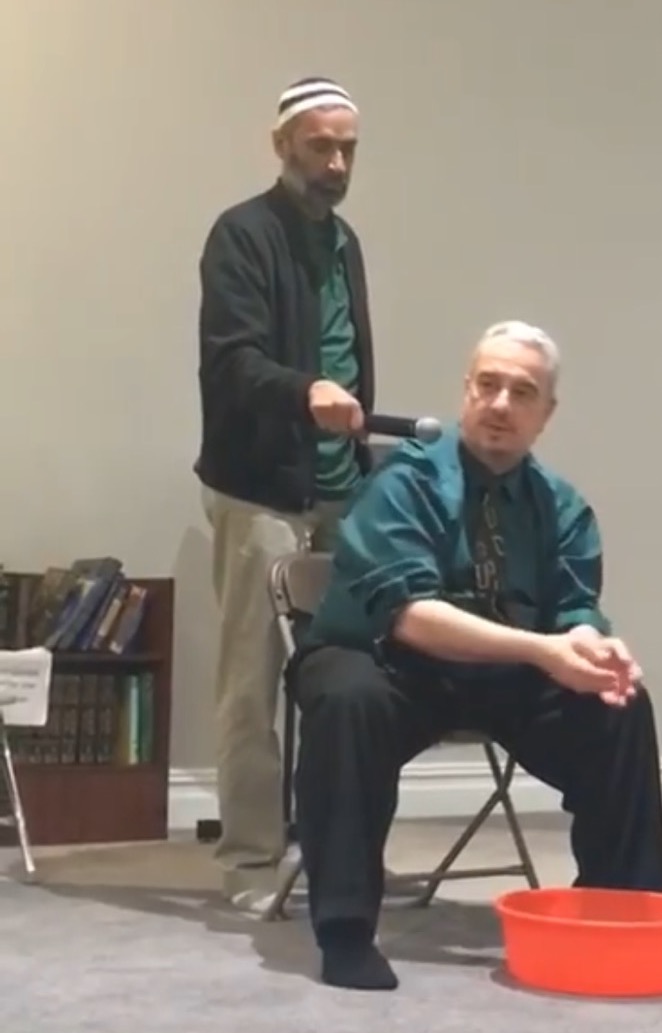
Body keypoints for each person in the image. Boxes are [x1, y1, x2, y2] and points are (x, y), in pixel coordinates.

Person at [288, 319, 662, 991]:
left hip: (505, 670)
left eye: (522, 392)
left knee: (619, 704)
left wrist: (593, 645)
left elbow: (574, 609)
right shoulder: (403, 480)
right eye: (488, 385)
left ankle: (625, 910)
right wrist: (545, 649)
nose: (501, 404)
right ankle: (346, 930)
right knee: (347, 698)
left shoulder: (563, 506)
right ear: (466, 392)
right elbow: (411, 617)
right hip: (385, 659)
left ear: (544, 414)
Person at [195, 76, 378, 912]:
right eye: (320, 145)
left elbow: (352, 358)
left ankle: (332, 852)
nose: (336, 162)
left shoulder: (346, 244)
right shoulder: (241, 235)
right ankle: (250, 867)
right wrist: (307, 391)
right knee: (251, 684)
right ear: (282, 146)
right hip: (261, 493)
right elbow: (233, 361)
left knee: (344, 677)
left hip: (341, 493)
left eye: (347, 147)